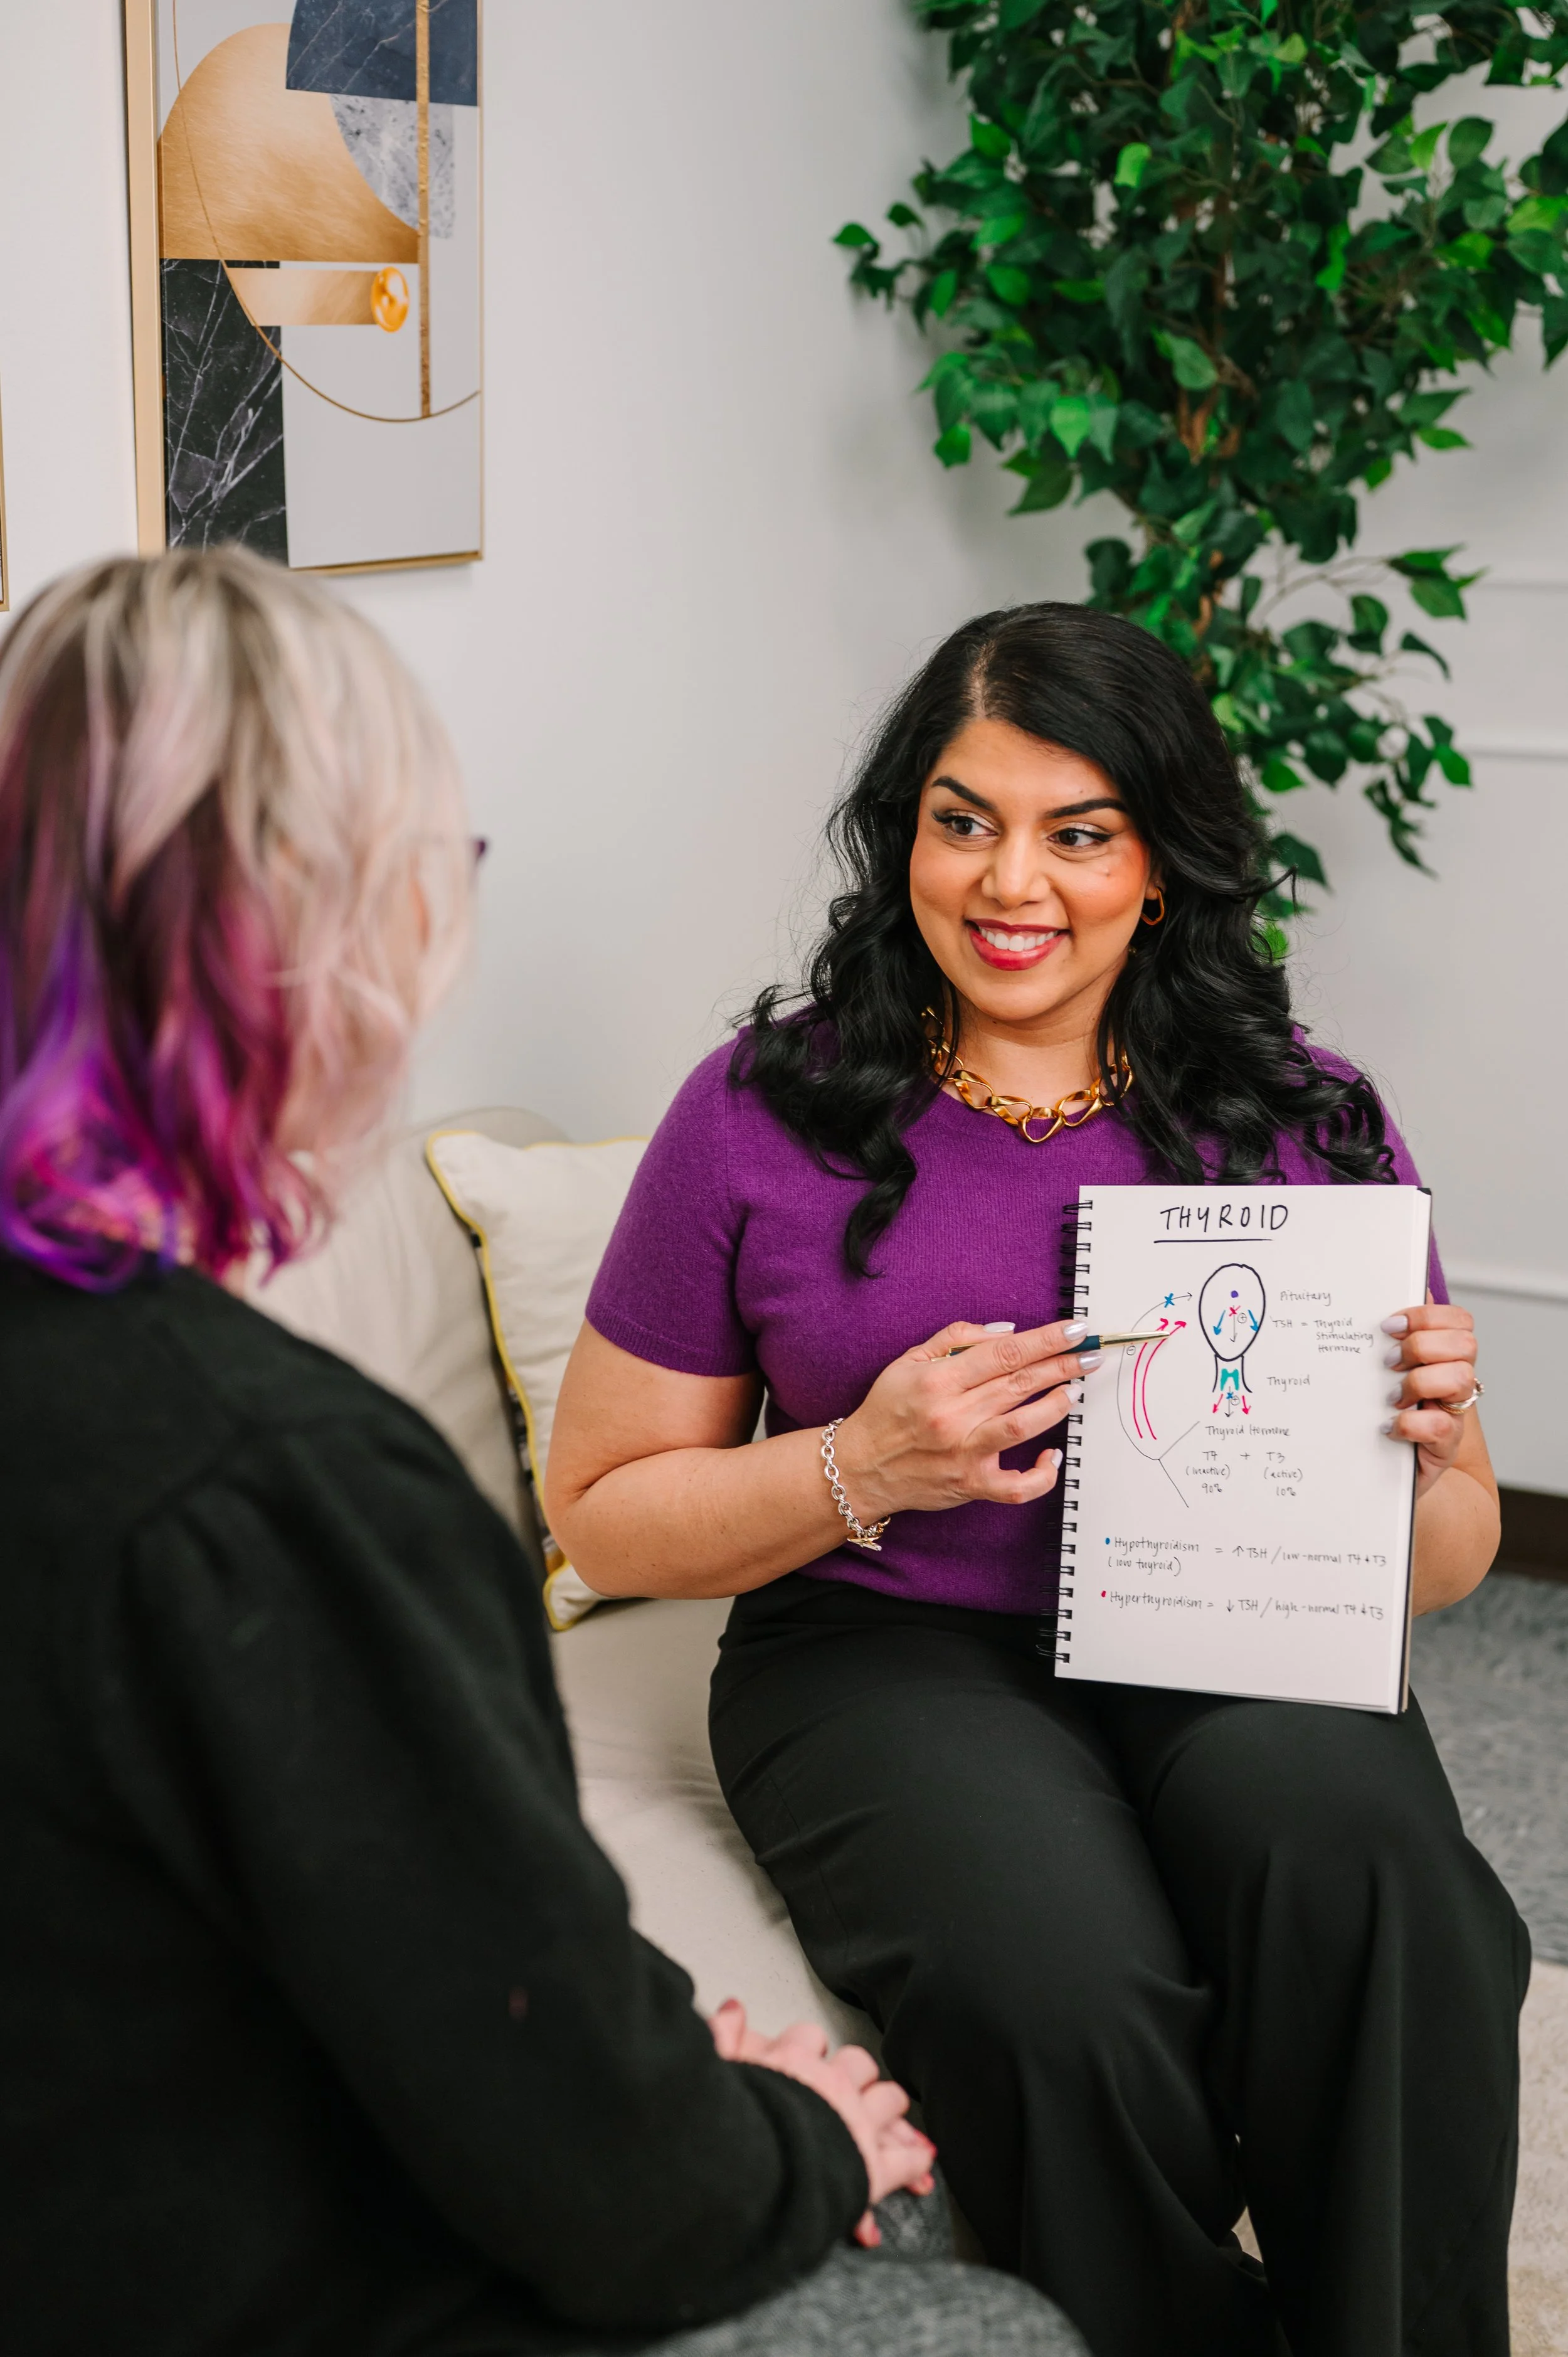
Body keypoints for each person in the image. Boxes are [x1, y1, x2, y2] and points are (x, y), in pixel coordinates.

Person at [0, 551, 1084, 2357]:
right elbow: (618, 2196)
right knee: (983, 2327)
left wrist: (632, 2046)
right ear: (334, 939)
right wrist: (794, 2131)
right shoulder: (283, 1492)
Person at [546, 604, 1530, 2357]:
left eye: (1078, 832)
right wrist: (867, 1459)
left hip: (1231, 1626)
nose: (1010, 882)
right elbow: (601, 1501)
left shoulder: (1305, 1119)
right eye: (961, 817)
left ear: (1162, 862)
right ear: (899, 832)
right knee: (1055, 1991)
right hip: (880, 1655)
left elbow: (1445, 1566)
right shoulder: (757, 1110)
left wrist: (1439, 1450)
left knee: (1399, 1899)